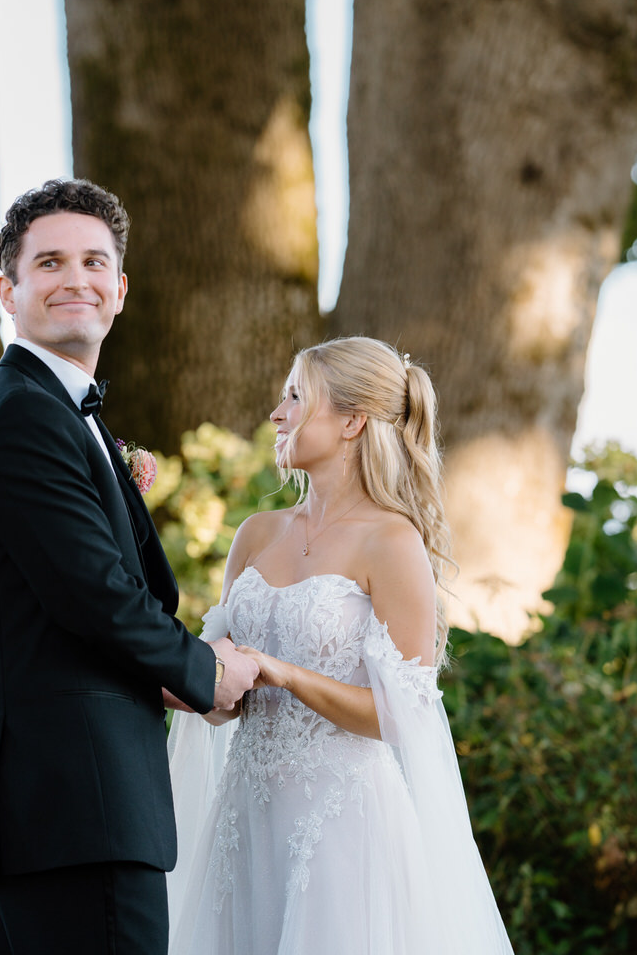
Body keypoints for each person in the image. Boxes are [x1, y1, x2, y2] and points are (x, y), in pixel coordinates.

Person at [0, 178, 259, 955]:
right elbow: (96, 596)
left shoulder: (57, 410)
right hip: (66, 806)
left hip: (66, 809)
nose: (74, 279)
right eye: (48, 263)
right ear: (7, 290)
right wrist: (202, 672)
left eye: (94, 261)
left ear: (119, 289)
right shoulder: (22, 415)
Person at [165, 337, 514, 954]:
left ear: (351, 421)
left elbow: (401, 715)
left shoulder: (392, 541)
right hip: (245, 816)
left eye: (295, 396)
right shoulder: (254, 534)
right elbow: (221, 687)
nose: (277, 413)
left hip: (340, 825)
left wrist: (285, 673)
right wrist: (186, 685)